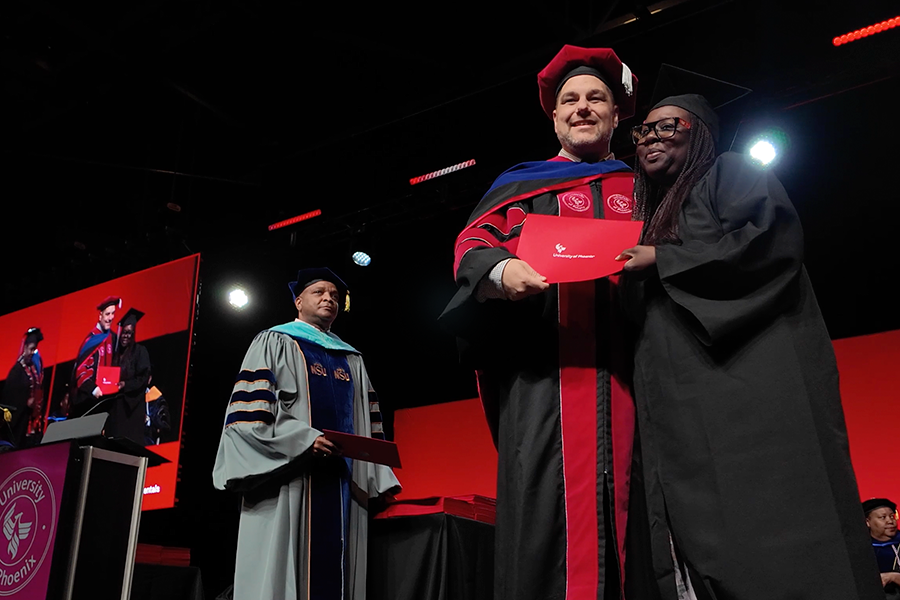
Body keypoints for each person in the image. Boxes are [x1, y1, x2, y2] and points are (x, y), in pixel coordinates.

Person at [617, 77, 883, 599]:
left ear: (700, 134)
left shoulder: (730, 173)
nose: (649, 138)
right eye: (642, 131)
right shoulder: (645, 220)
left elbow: (769, 242)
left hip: (750, 391)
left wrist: (664, 259)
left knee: (778, 529)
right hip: (684, 407)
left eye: (666, 126)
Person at [439, 45, 641, 600]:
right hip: (544, 381)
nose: (582, 108)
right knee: (544, 515)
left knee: (639, 509)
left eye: (596, 98)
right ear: (554, 117)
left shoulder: (643, 187)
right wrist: (501, 271)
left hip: (633, 377)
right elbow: (472, 245)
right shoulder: (522, 187)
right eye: (570, 100)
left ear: (616, 114)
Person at [213, 267, 400, 600]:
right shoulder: (274, 341)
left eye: (334, 295)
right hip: (289, 475)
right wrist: (303, 439)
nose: (329, 298)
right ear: (298, 302)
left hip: (341, 481)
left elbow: (368, 422)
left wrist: (378, 473)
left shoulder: (351, 357)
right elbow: (250, 416)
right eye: (319, 292)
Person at [106, 308, 151, 445]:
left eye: (129, 333)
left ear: (134, 334)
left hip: (131, 409)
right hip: (116, 407)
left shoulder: (140, 351)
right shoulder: (115, 354)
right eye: (123, 332)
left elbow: (143, 378)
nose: (125, 336)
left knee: (127, 444)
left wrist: (126, 384)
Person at [71, 296, 120, 417]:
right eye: (107, 314)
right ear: (100, 316)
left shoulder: (114, 338)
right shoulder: (91, 340)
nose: (110, 318)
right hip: (90, 400)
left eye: (113, 313)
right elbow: (81, 370)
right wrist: (93, 389)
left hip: (107, 399)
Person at [1, 327, 44, 448]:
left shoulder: (32, 369)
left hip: (29, 420)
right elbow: (9, 398)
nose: (32, 352)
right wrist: (26, 401)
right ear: (25, 348)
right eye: (31, 349)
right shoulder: (16, 371)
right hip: (19, 421)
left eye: (34, 349)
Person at [864, 498, 900, 595]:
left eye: (892, 516)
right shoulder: (861, 549)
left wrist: (893, 577)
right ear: (867, 522)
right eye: (883, 517)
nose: (890, 521)